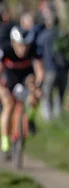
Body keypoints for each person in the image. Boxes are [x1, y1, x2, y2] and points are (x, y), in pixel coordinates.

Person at [0, 26, 44, 158]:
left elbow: (40, 71)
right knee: (8, 105)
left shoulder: (34, 50)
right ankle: (5, 140)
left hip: (26, 79)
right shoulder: (5, 50)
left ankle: (30, 120)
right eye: (20, 45)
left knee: (35, 95)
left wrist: (38, 86)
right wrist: (3, 90)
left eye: (26, 46)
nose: (23, 49)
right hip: (8, 80)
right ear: (13, 43)